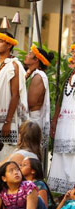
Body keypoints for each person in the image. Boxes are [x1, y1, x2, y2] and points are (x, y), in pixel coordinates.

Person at [0, 32, 28, 161]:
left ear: (9, 45)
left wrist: (8, 121)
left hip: (6, 119)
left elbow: (15, 94)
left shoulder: (14, 65)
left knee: (5, 156)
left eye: (0, 41)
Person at [48, 44, 75, 194]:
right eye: (73, 52)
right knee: (62, 156)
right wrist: (54, 122)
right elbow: (60, 99)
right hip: (64, 122)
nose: (73, 55)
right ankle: (63, 195)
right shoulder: (68, 75)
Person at [24, 45, 53, 153]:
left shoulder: (38, 76)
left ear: (36, 59)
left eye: (30, 54)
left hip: (33, 120)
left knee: (30, 153)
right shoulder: (32, 74)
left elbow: (30, 102)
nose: (26, 55)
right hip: (31, 119)